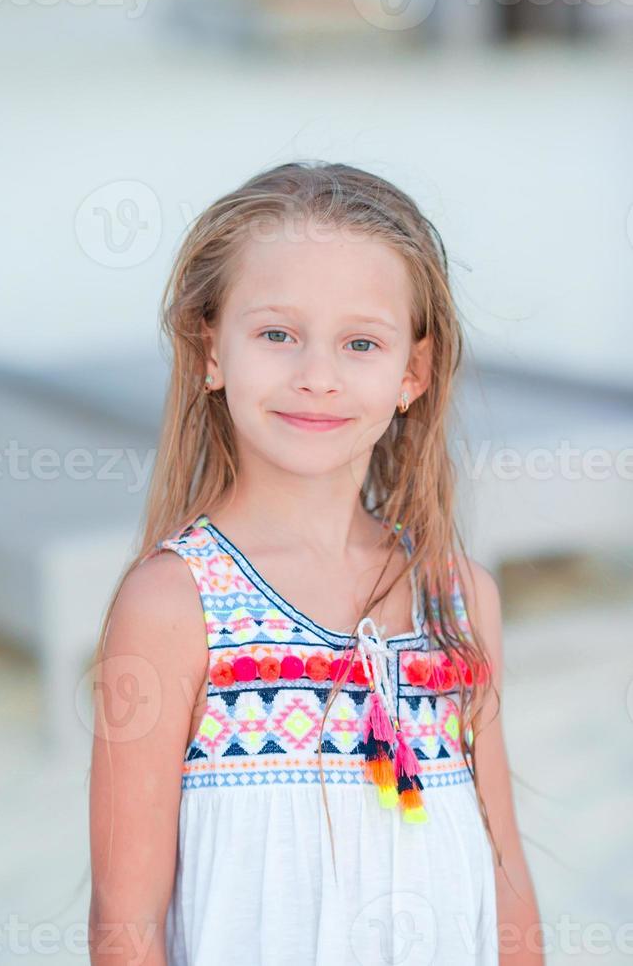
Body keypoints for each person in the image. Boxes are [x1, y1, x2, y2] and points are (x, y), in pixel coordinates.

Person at [88, 161, 543, 965]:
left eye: (360, 342)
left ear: (413, 373)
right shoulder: (174, 606)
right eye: (276, 334)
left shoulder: (460, 599)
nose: (317, 377)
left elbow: (506, 879)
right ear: (210, 350)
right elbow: (126, 926)